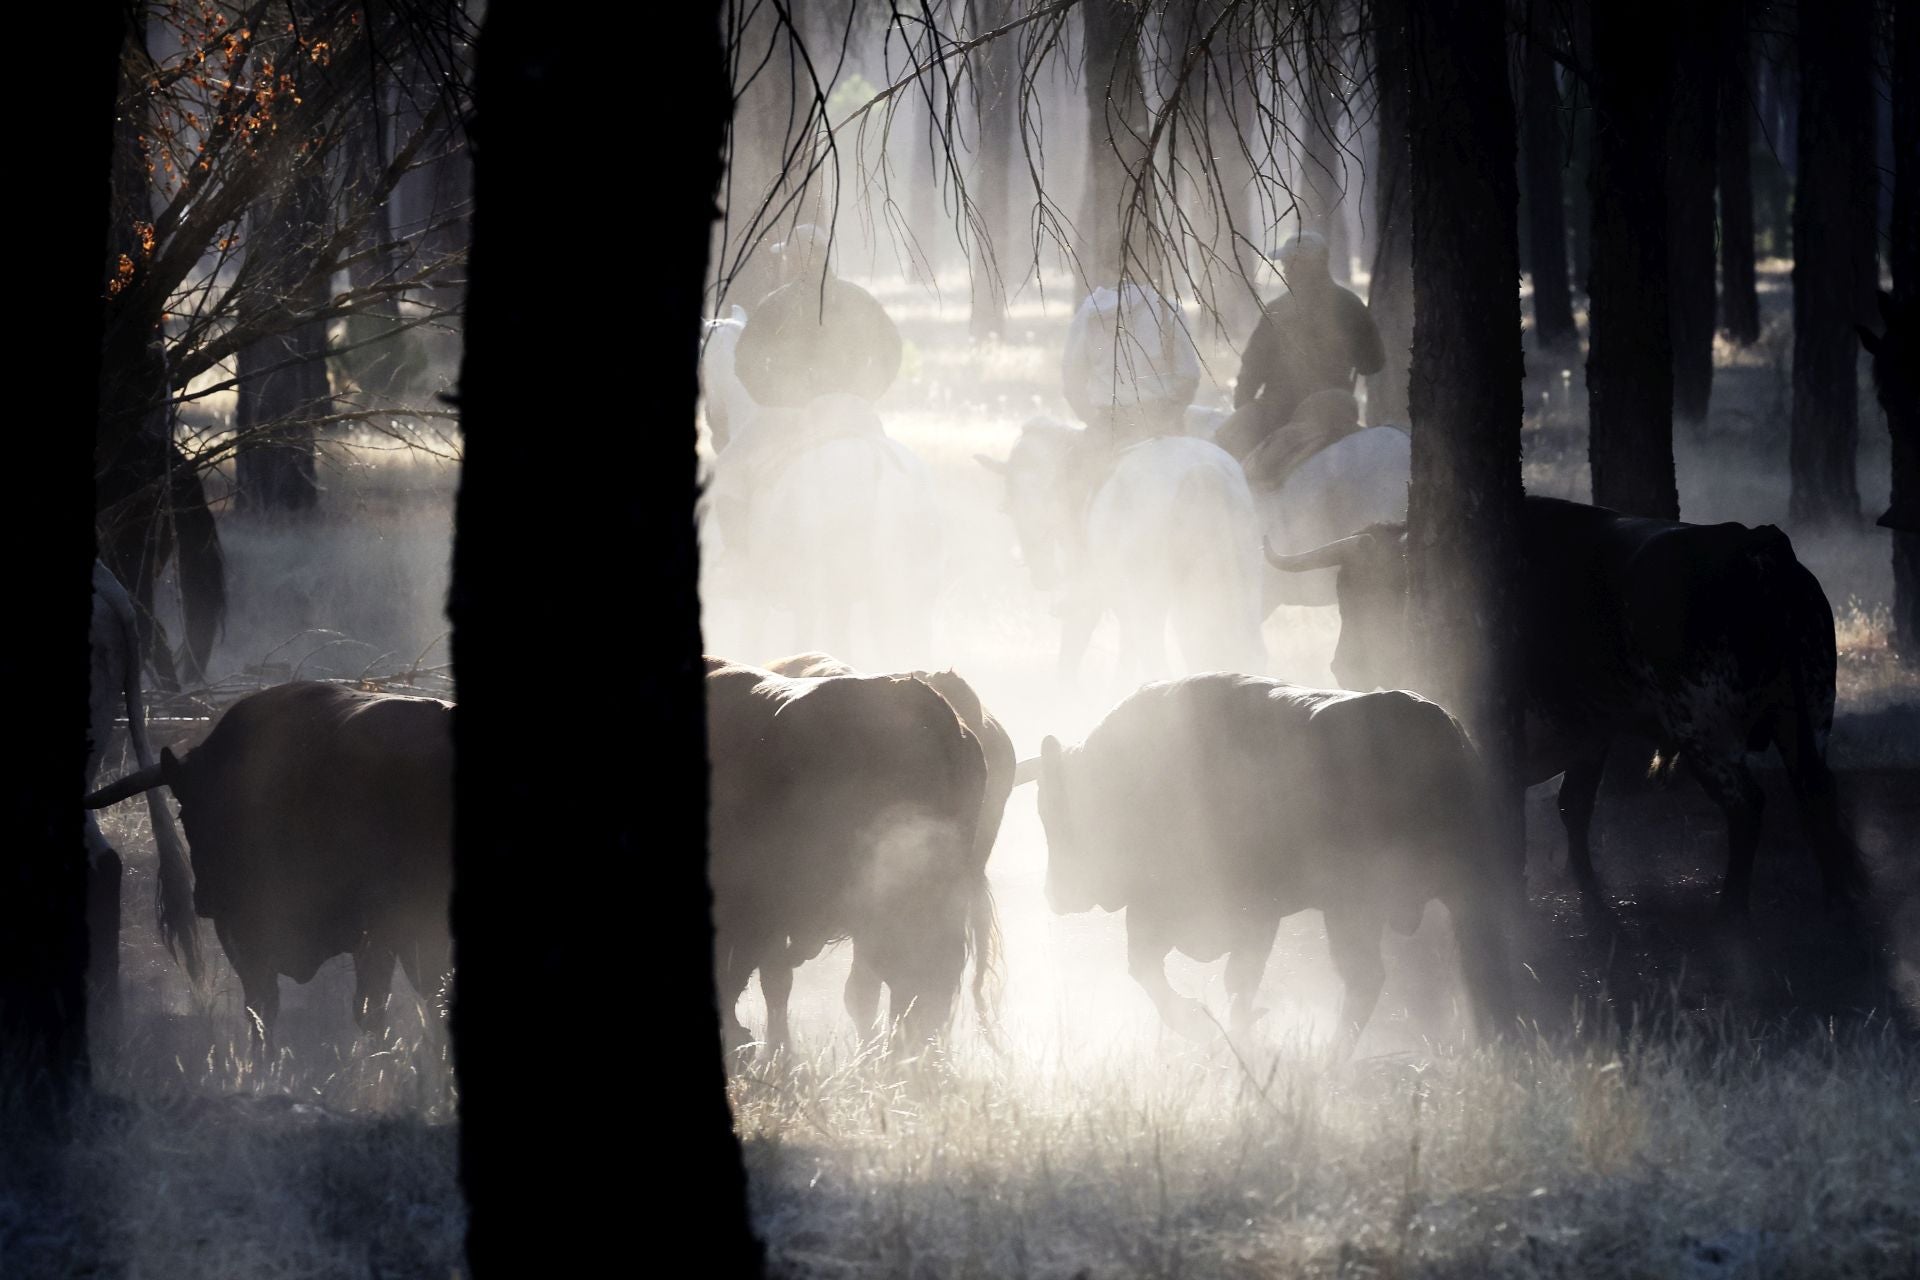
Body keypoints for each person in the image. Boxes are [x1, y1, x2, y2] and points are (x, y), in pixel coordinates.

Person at [1053, 279, 1202, 546]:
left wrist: (1093, 419)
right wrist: (1170, 415)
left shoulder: (1090, 311)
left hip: (1112, 423)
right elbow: (1188, 377)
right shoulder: (1168, 309)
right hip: (1163, 422)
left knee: (1068, 482)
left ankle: (1078, 559)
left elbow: (1072, 381)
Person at [1216, 232, 1384, 465]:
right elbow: (1373, 364)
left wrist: (1243, 406)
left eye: (1287, 264)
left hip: (1281, 410)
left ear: (1303, 266)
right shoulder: (1351, 304)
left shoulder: (1278, 309)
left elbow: (1253, 366)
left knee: (1223, 446)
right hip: (1337, 408)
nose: (1284, 271)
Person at [731, 225, 903, 411]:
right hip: (850, 411)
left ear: (796, 261)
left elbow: (744, 360)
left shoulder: (775, 305)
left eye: (787, 257)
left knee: (742, 441)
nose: (785, 263)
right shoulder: (859, 299)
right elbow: (892, 348)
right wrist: (865, 396)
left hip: (789, 415)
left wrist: (771, 399)